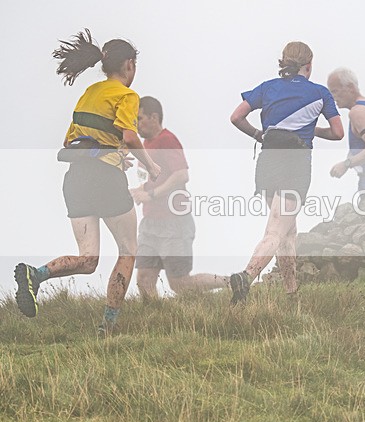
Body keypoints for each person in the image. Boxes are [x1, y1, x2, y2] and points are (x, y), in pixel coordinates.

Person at [14, 29, 161, 334]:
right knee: (128, 249)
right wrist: (151, 165)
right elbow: (130, 136)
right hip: (106, 180)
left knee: (88, 259)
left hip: (76, 179)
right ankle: (107, 327)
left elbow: (69, 142)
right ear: (129, 65)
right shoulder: (127, 96)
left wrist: (111, 153)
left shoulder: (90, 93)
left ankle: (36, 274)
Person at [228, 41, 344, 301]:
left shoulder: (268, 87)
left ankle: (292, 294)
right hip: (296, 163)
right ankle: (246, 277)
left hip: (268, 160)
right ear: (308, 66)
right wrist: (313, 129)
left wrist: (257, 134)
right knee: (276, 231)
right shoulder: (320, 93)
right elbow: (338, 133)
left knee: (287, 231)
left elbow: (236, 117)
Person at [131, 96, 228, 299]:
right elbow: (152, 179)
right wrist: (139, 191)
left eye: (139, 118)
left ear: (154, 117)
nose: (136, 124)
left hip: (174, 222)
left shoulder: (167, 140)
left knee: (179, 283)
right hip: (150, 223)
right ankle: (155, 317)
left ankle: (232, 283)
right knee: (144, 280)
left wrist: (151, 194)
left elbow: (181, 174)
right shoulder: (145, 144)